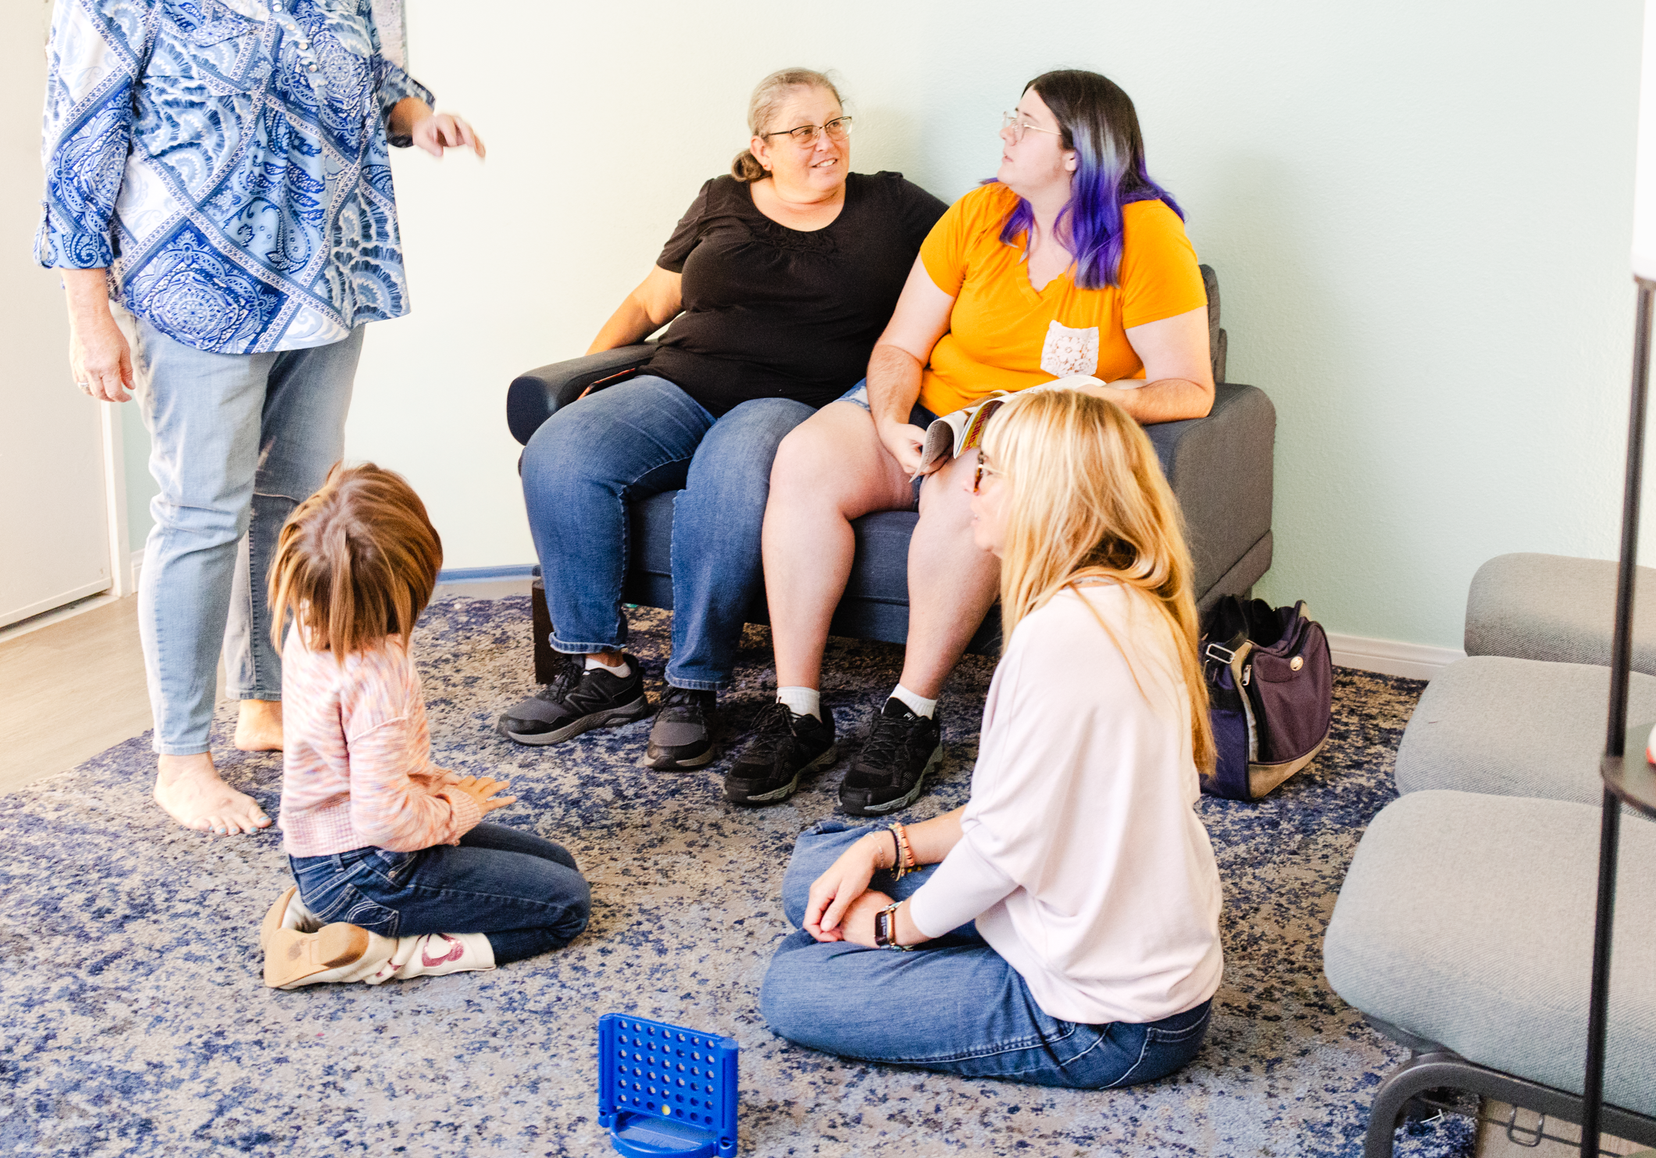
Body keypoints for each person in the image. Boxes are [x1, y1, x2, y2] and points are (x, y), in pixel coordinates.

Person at [37, 0, 482, 836]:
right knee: (198, 508)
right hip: (196, 278)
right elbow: (80, 145)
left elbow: (358, 68)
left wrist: (416, 114)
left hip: (325, 258)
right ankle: (179, 756)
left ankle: (266, 697)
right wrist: (87, 310)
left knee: (294, 500)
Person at [732, 70, 1213, 812]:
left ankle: (911, 714)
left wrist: (1093, 399)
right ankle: (798, 710)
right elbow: (899, 347)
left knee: (969, 491)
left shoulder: (1144, 236)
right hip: (927, 415)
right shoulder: (981, 212)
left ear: (1076, 153)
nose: (1004, 136)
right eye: (1009, 119)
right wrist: (893, 423)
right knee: (803, 459)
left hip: (1016, 435)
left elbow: (1189, 387)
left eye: (1025, 125)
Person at [758, 390, 1223, 1086]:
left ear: (1048, 498)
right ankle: (922, 930)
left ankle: (926, 951)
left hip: (1111, 1022)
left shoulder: (1060, 641)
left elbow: (1003, 848)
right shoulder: (1122, 600)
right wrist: (888, 845)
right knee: (820, 866)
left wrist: (893, 931)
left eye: (992, 470)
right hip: (1088, 923)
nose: (968, 484)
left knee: (794, 982)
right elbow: (1013, 818)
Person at [504, 70, 946, 770]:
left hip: (790, 403)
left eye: (835, 123)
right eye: (802, 131)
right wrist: (586, 378)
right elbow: (652, 304)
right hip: (677, 382)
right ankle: (602, 669)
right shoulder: (721, 199)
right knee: (561, 448)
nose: (826, 143)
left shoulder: (890, 204)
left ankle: (693, 685)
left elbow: (977, 254)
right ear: (761, 147)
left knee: (730, 467)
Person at [261, 463, 590, 986]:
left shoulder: (311, 613)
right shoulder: (379, 677)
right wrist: (459, 809)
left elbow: (362, 775)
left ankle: (312, 908)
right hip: (371, 871)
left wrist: (435, 791)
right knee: (567, 906)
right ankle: (383, 952)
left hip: (325, 853)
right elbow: (383, 823)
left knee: (558, 863)